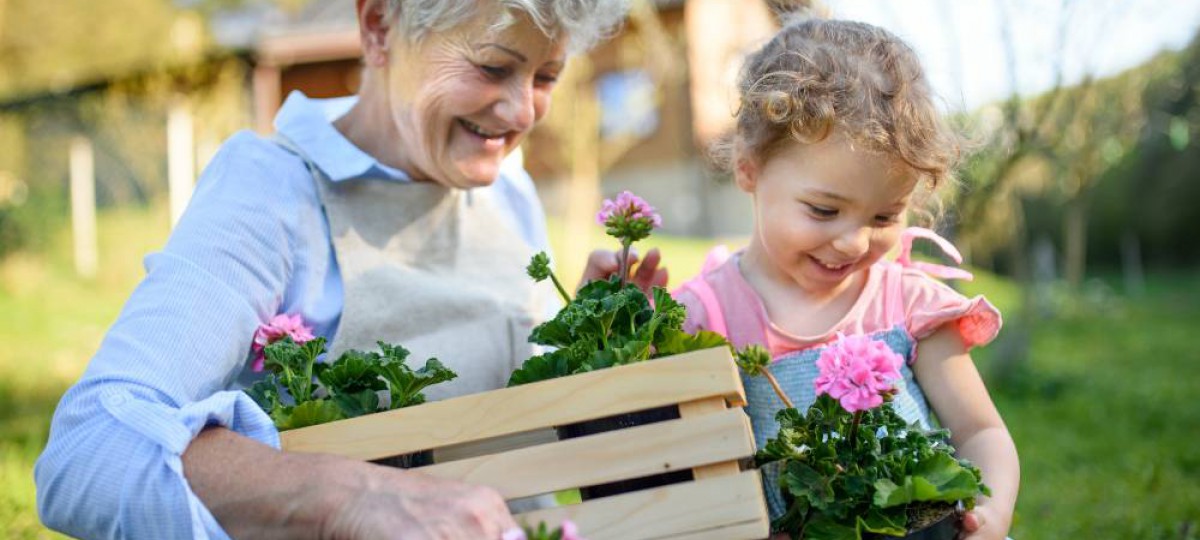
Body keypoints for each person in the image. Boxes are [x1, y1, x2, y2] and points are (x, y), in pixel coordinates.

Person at [34, 1, 664, 539]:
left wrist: (586, 357)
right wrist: (355, 496)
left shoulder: (508, 191)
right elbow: (88, 451)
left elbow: (507, 437)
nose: (523, 111)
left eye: (547, 76)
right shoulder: (274, 191)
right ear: (380, 26)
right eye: (492, 66)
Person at [673, 16, 1020, 540]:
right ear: (748, 168)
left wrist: (991, 511)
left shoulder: (909, 305)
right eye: (823, 210)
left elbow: (981, 431)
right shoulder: (709, 314)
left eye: (884, 217)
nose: (855, 243)